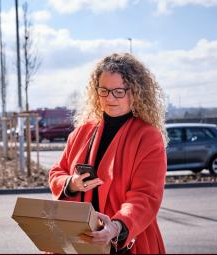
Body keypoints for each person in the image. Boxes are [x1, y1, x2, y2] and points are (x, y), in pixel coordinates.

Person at [49, 53, 168, 254]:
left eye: (118, 91)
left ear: (136, 92)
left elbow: (145, 196)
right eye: (103, 91)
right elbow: (56, 173)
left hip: (126, 243)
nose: (110, 98)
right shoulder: (81, 132)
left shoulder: (148, 137)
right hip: (77, 241)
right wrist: (71, 183)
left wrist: (116, 226)